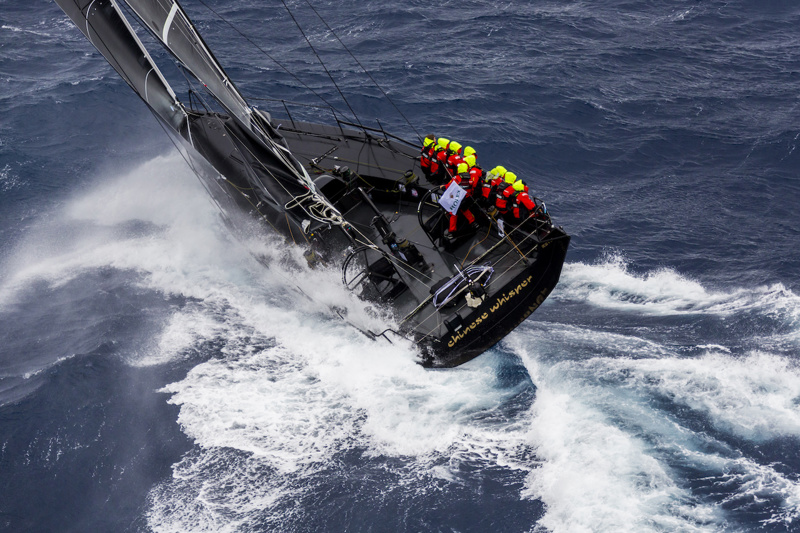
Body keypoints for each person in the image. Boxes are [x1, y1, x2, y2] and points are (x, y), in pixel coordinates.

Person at [444, 162, 478, 235]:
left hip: (458, 200)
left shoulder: (456, 178)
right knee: (465, 209)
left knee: (453, 212)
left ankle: (452, 230)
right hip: (467, 199)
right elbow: (474, 185)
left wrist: (443, 187)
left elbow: (448, 187)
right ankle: (473, 222)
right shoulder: (471, 178)